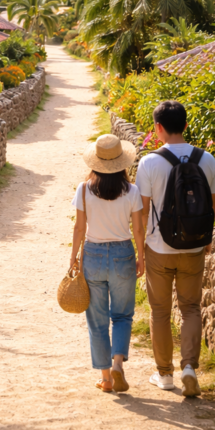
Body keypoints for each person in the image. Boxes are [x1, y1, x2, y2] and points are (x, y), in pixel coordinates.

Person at [136, 101, 215, 396]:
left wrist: (141, 247)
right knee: (191, 308)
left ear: (158, 127)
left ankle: (165, 375)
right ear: (185, 125)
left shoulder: (149, 162)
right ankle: (189, 367)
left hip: (159, 248)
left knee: (159, 311)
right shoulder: (206, 159)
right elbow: (212, 205)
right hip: (194, 247)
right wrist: (206, 238)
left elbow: (142, 210)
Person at [71, 134, 144, 393]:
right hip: (123, 253)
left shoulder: (83, 190)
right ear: (122, 163)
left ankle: (106, 379)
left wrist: (74, 260)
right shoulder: (132, 191)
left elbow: (79, 228)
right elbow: (138, 229)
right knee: (123, 315)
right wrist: (141, 257)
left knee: (97, 319)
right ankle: (117, 364)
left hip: (93, 255)